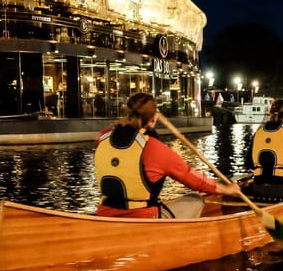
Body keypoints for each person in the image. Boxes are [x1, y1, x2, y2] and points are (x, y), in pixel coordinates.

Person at [94, 92, 241, 218]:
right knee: (196, 199)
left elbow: (104, 132)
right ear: (153, 119)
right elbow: (194, 180)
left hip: (104, 213)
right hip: (144, 218)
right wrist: (227, 189)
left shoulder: (103, 140)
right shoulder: (155, 148)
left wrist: (121, 122)